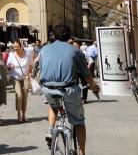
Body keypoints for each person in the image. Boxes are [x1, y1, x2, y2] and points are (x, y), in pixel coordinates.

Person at [39, 25, 99, 155]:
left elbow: (40, 70)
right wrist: (94, 86)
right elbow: (87, 74)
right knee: (78, 121)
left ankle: (50, 129)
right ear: (69, 36)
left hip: (48, 89)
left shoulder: (44, 49)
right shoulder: (75, 51)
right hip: (68, 89)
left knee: (52, 106)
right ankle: (82, 151)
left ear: (53, 36)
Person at [6, 40, 33, 123]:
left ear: (22, 46)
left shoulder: (27, 54)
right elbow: (7, 66)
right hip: (15, 78)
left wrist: (30, 73)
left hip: (25, 78)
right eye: (14, 47)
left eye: (17, 46)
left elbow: (31, 65)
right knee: (19, 95)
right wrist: (10, 66)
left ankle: (24, 114)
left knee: (25, 96)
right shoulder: (11, 55)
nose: (15, 48)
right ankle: (19, 114)